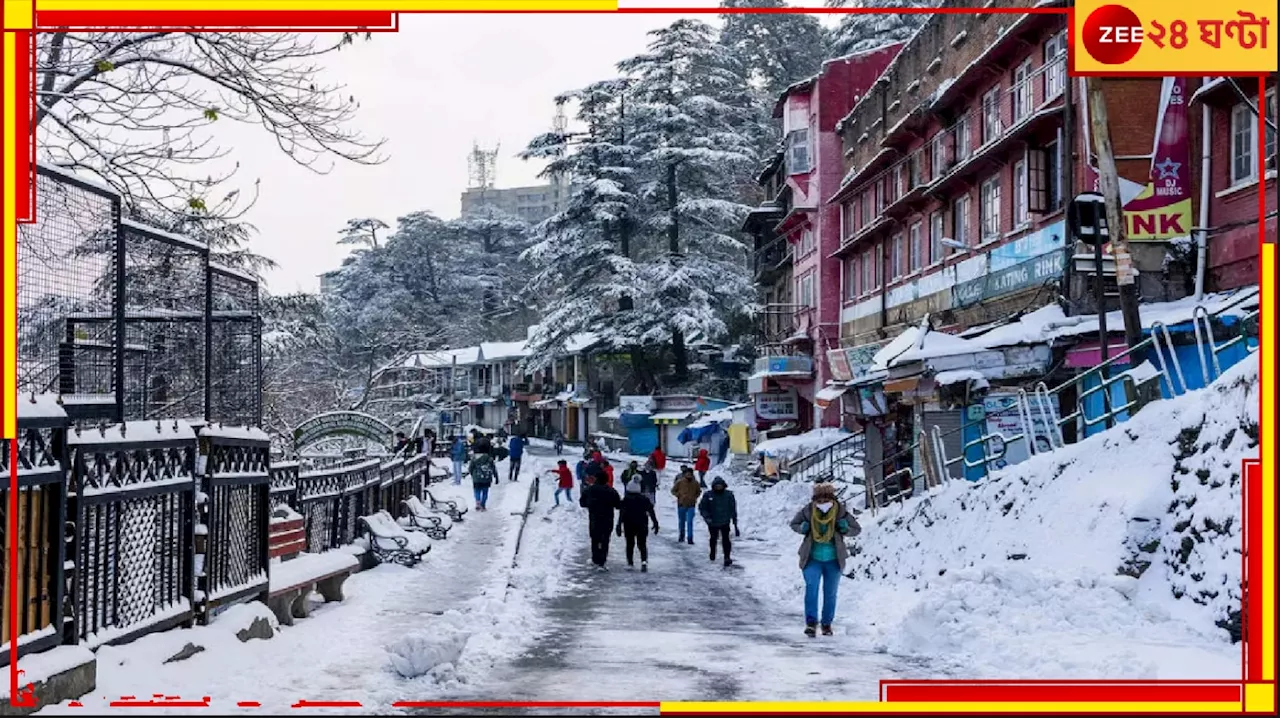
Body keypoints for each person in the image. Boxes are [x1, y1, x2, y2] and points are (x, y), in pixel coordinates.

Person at [789, 483, 860, 637]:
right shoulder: (808, 511)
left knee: (830, 593)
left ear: (832, 498)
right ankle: (811, 623)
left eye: (826, 498)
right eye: (819, 499)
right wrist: (803, 528)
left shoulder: (840, 512)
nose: (822, 502)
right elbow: (793, 524)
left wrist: (844, 528)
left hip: (834, 560)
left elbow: (856, 529)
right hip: (811, 558)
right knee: (811, 590)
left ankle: (826, 624)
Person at [579, 464, 622, 570]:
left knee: (595, 539)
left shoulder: (590, 490)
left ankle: (595, 559)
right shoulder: (612, 491)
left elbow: (582, 503)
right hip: (607, 519)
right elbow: (618, 505)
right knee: (605, 540)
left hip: (594, 518)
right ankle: (602, 562)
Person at [616, 481, 659, 571]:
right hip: (642, 524)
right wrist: (655, 523)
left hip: (629, 524)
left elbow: (621, 514)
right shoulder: (644, 499)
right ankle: (644, 561)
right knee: (642, 544)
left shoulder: (626, 500)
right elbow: (651, 512)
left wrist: (619, 525)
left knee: (630, 544)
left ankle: (630, 563)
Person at [698, 477, 738, 567]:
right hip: (713, 522)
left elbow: (733, 508)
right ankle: (713, 551)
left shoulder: (729, 495)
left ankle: (727, 557)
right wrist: (707, 518)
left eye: (720, 486)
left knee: (726, 540)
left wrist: (734, 520)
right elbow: (702, 507)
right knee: (713, 538)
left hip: (725, 521)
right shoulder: (708, 495)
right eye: (717, 486)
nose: (719, 487)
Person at [670, 467, 702, 545]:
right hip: (681, 504)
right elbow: (673, 490)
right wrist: (679, 495)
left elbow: (699, 491)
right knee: (682, 521)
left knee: (690, 522)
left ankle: (690, 538)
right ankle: (681, 536)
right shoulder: (680, 482)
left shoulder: (695, 483)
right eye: (687, 474)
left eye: (690, 474)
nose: (689, 475)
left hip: (691, 505)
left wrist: (694, 497)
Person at [468, 444, 497, 511]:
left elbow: (470, 468)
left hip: (477, 478)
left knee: (477, 491)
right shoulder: (489, 458)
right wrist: (495, 476)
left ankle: (478, 501)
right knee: (485, 492)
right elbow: (493, 468)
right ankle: (483, 505)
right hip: (486, 477)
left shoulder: (474, 458)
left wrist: (472, 474)